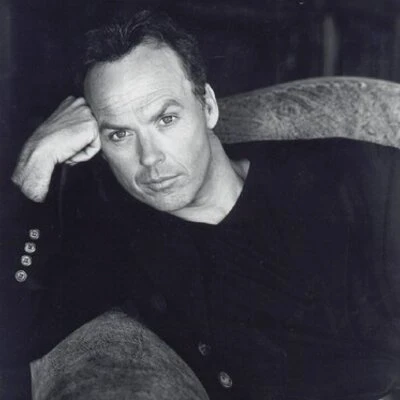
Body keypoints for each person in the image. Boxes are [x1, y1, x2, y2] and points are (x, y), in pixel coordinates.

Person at [2, 9, 400, 400]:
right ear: (99, 146)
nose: (150, 158)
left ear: (207, 106)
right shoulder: (119, 240)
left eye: (166, 119)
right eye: (120, 135)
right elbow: (12, 335)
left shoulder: (353, 178)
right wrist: (35, 162)